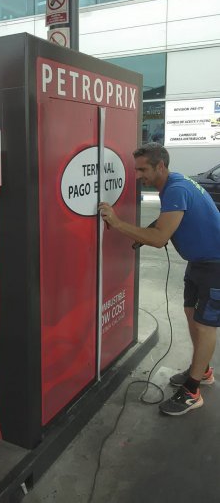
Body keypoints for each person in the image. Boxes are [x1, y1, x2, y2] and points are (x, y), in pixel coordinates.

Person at [99, 142, 220, 416]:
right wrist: (144, 234)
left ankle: (192, 392)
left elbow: (159, 238)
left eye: (143, 169)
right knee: (191, 315)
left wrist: (118, 224)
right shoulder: (173, 184)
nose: (138, 175)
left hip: (215, 265)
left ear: (160, 166)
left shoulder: (175, 188)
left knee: (205, 326)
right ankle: (203, 370)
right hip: (199, 262)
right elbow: (166, 222)